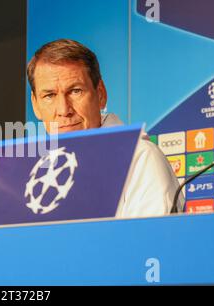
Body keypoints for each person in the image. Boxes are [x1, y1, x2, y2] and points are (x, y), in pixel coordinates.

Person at [27, 39, 184, 217]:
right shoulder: (28, 171)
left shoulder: (139, 159)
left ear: (101, 94)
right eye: (49, 95)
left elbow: (153, 242)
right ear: (35, 105)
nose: (64, 110)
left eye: (75, 91)